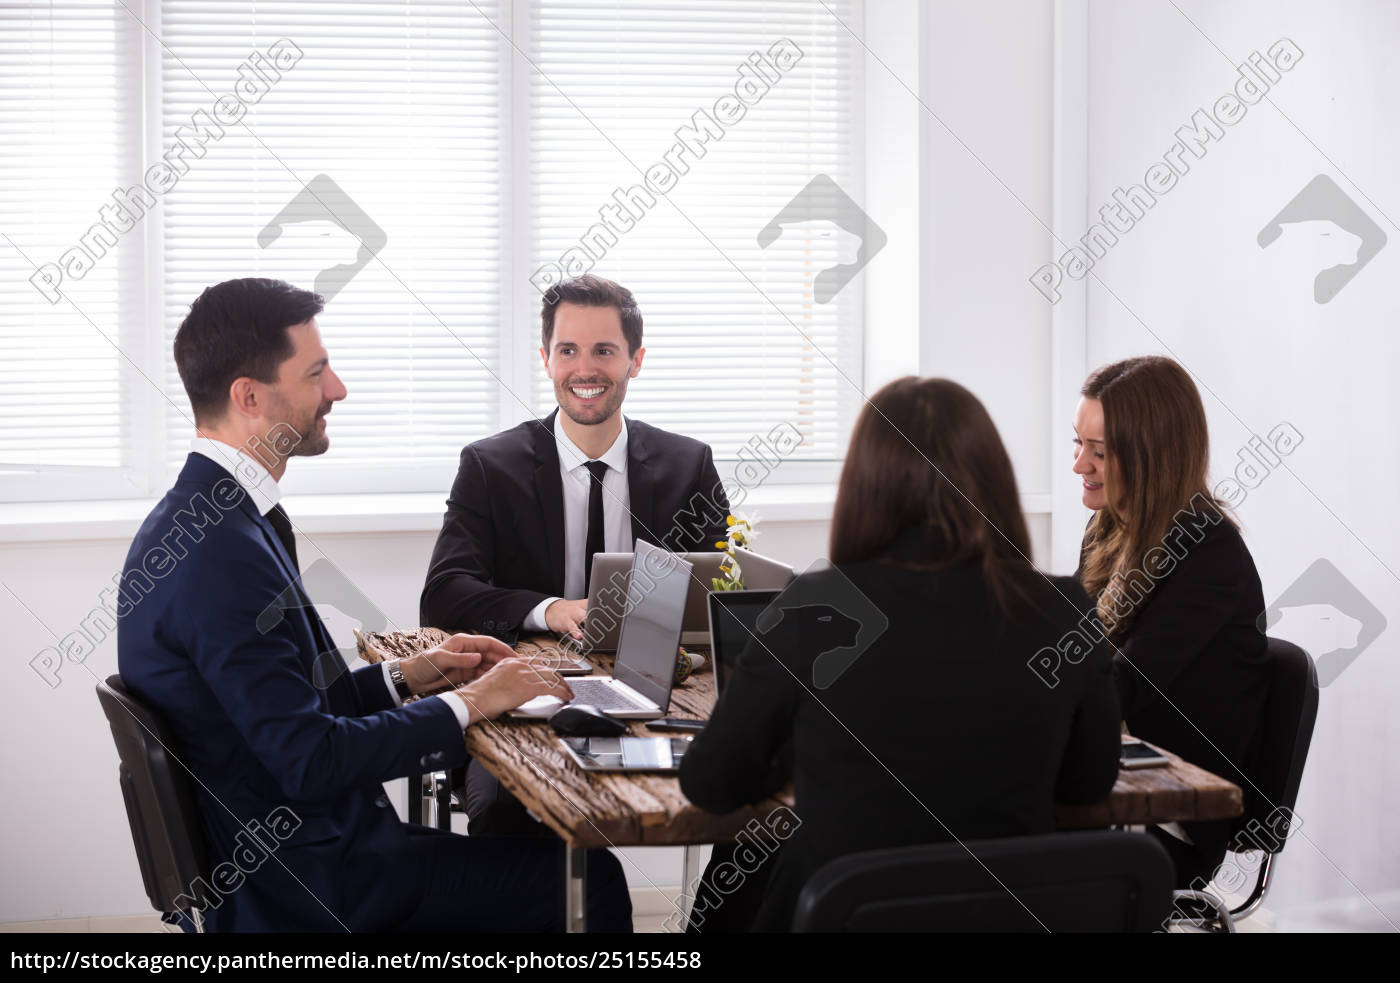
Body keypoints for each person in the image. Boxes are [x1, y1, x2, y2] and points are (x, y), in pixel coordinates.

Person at [116, 278, 631, 932]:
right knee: (591, 878)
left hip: (305, 859)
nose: (337, 389)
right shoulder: (219, 553)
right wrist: (473, 700)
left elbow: (286, 710)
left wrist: (412, 675)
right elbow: (309, 758)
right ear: (249, 396)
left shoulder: (214, 518)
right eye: (316, 372)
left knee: (541, 857)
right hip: (313, 892)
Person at [680, 376, 1122, 931]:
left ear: (865, 485)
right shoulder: (1063, 608)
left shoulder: (817, 606)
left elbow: (711, 782)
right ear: (993, 481)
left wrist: (800, 756)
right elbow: (1090, 782)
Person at [421, 274, 729, 835]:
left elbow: (722, 602)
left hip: (655, 697)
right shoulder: (490, 467)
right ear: (546, 359)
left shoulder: (689, 465)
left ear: (636, 360)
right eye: (569, 350)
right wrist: (550, 609)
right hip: (525, 703)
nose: (585, 370)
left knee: (768, 793)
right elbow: (444, 596)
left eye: (604, 351)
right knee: (507, 809)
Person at [1073, 355, 1270, 887]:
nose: (1079, 465)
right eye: (1078, 443)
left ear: (1152, 456)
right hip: (1112, 781)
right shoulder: (1107, 529)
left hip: (1168, 821)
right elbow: (1073, 652)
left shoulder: (1206, 549)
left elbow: (1115, 687)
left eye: (1099, 451)